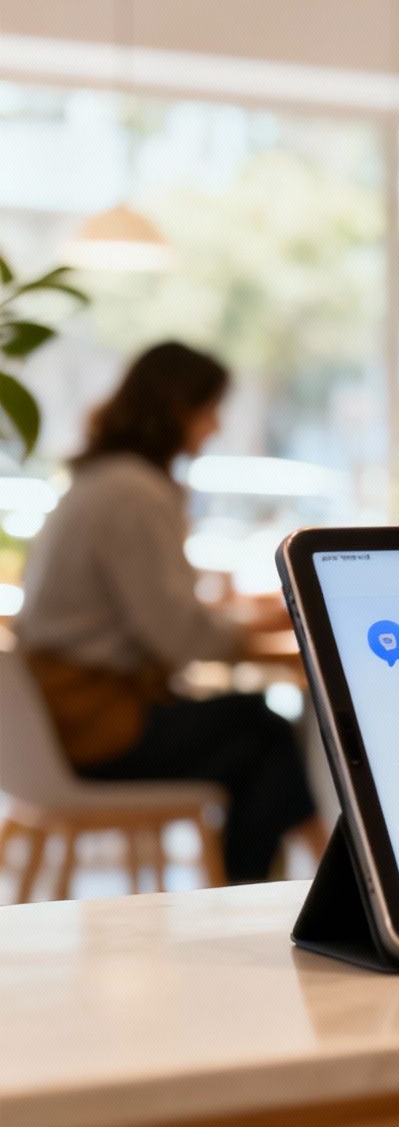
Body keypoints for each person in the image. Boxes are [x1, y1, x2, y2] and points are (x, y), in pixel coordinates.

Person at [14, 342, 324, 883]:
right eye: (209, 409)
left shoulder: (98, 479)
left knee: (258, 736)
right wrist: (258, 621)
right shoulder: (134, 492)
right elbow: (179, 638)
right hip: (97, 725)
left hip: (58, 720)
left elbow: (156, 618)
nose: (215, 426)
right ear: (178, 408)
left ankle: (289, 878)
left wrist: (234, 621)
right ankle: (282, 878)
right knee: (263, 729)